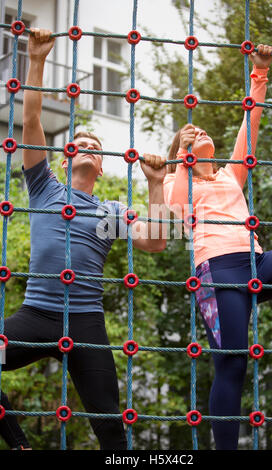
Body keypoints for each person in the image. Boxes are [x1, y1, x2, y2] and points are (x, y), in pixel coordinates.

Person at [0, 28, 167, 450]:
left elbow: (156, 241)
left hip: (86, 323)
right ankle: (19, 444)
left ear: (102, 166)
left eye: (95, 145)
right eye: (80, 142)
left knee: (110, 425)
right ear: (64, 155)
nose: (88, 146)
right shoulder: (44, 187)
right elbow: (32, 118)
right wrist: (37, 59)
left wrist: (155, 184)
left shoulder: (110, 211)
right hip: (37, 315)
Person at [164, 44, 272, 450]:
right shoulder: (178, 181)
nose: (201, 131)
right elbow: (171, 215)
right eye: (192, 133)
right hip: (217, 272)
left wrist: (260, 73)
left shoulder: (229, 175)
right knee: (233, 363)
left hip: (257, 264)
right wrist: (177, 159)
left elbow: (250, 126)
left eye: (204, 130)